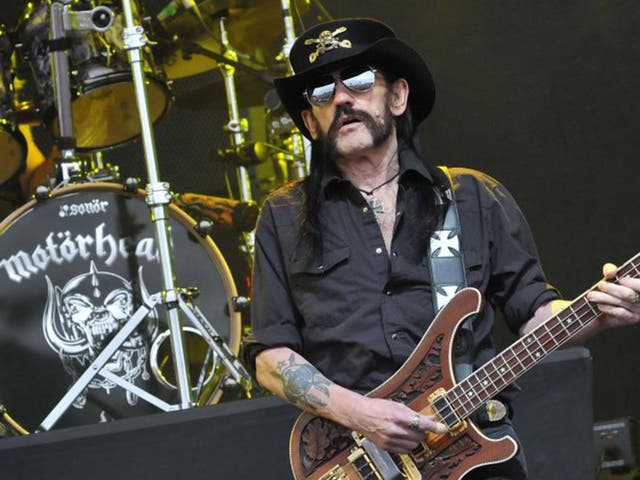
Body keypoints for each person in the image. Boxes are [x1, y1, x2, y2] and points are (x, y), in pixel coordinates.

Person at [246, 18, 640, 479]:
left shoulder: (472, 196)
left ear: (397, 96)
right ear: (311, 123)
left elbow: (533, 312)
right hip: (353, 457)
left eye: (356, 80)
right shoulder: (282, 215)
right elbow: (271, 357)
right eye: (320, 92)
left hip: (475, 449)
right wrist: (361, 415)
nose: (342, 98)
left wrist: (597, 310)